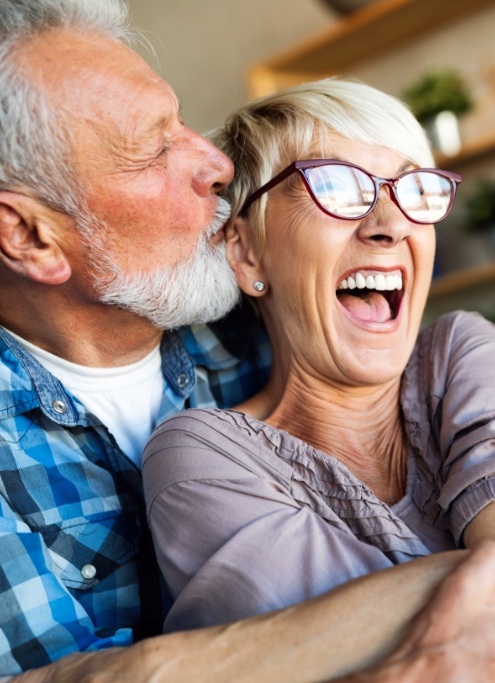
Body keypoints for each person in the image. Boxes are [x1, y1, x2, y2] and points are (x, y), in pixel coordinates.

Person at [0, 0, 495, 681]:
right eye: (154, 147)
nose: (216, 164)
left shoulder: (446, 353)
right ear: (30, 236)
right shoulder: (204, 443)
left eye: (414, 188)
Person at [142, 78, 495, 634]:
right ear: (246, 251)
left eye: (413, 191)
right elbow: (349, 646)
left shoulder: (461, 351)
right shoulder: (202, 455)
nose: (391, 224)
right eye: (337, 186)